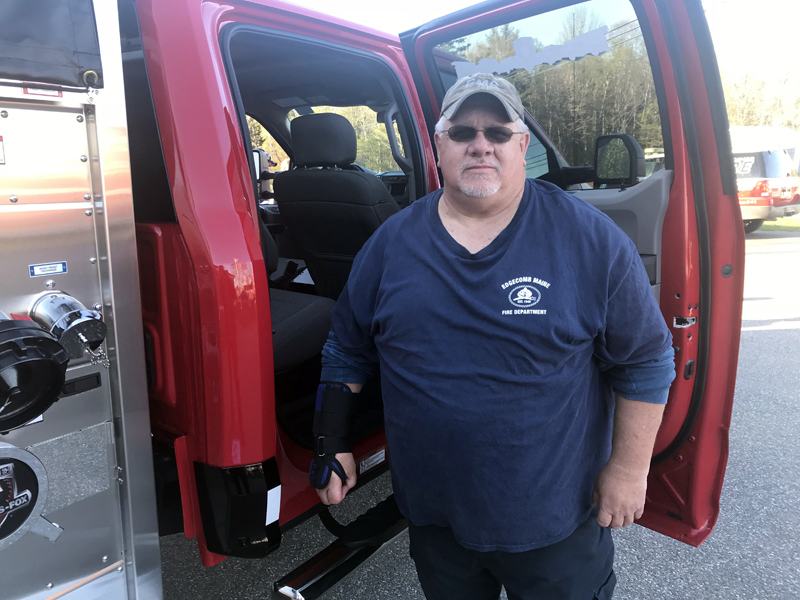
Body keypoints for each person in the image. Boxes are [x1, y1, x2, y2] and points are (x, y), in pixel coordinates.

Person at [309, 73, 676, 600]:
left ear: (522, 145)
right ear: (439, 145)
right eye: (462, 132)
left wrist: (628, 469)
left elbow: (646, 360)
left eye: (498, 132)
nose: (480, 144)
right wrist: (332, 440)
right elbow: (347, 347)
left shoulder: (590, 240)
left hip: (555, 522)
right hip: (435, 518)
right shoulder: (392, 243)